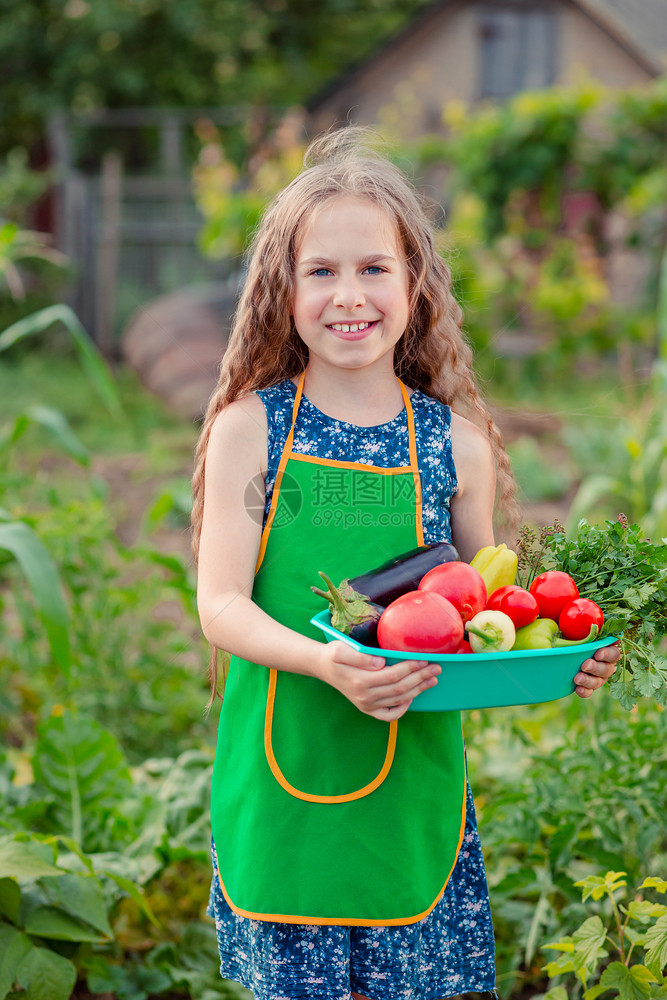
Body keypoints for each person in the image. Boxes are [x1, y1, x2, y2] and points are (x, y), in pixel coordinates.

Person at [191, 128, 620, 1000]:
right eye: (321, 271)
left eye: (373, 268)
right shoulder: (253, 428)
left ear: (415, 282)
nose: (348, 295)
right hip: (285, 782)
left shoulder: (450, 445)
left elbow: (487, 619)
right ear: (284, 289)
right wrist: (325, 660)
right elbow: (220, 605)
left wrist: (560, 659)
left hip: (411, 790)